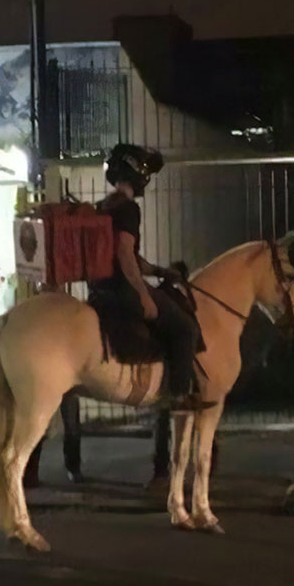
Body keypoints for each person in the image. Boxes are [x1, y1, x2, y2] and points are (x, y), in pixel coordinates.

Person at [91, 143, 215, 413]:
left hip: (100, 291)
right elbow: (125, 254)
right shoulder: (128, 209)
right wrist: (143, 295)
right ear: (137, 175)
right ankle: (179, 395)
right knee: (185, 328)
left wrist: (160, 272)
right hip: (123, 291)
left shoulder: (102, 206)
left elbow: (132, 258)